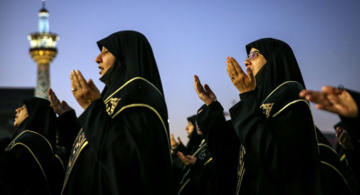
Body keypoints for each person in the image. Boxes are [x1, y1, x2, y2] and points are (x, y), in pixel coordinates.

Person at [50, 30, 174, 195]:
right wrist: (68, 121)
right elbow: (93, 151)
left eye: (106, 52)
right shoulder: (112, 96)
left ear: (125, 54)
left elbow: (125, 159)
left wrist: (92, 108)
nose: (97, 58)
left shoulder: (139, 96)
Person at [196, 38, 325, 194]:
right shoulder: (257, 103)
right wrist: (211, 106)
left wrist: (247, 96)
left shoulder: (291, 98)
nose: (245, 62)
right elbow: (228, 149)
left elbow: (276, 161)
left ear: (273, 59)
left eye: (253, 56)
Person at [0, 97, 64, 195]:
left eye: (24, 107)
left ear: (36, 113)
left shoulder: (29, 142)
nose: (17, 110)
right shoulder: (32, 142)